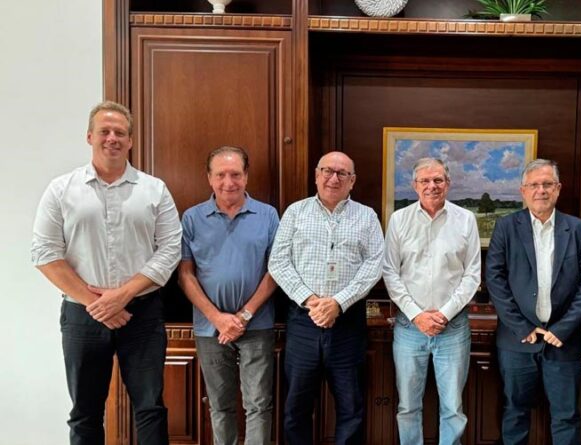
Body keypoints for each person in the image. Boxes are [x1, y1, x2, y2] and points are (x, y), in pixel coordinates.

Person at [31, 100, 181, 445]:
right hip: (82, 314)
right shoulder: (61, 189)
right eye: (105, 131)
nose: (112, 138)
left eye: (120, 132)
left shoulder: (154, 190)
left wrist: (122, 295)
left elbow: (171, 249)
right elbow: (44, 253)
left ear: (130, 141)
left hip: (142, 313)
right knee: (85, 412)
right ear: (90, 136)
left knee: (150, 408)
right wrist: (96, 303)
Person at [268, 151, 384, 445]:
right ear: (316, 175)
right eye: (328, 171)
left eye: (342, 173)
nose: (334, 178)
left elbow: (374, 265)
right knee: (296, 407)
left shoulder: (367, 216)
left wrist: (338, 303)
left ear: (352, 181)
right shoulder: (295, 212)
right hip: (303, 322)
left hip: (348, 323)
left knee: (351, 407)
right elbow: (278, 262)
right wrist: (311, 301)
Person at [485, 159, 581, 445]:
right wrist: (521, 326)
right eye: (534, 185)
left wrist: (563, 329)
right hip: (517, 340)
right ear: (523, 191)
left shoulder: (580, 231)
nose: (541, 190)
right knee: (514, 412)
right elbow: (495, 280)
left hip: (563, 341)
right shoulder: (506, 227)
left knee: (566, 416)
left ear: (558, 189)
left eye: (547, 184)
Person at [179, 146, 280, 445]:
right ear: (209, 178)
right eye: (220, 175)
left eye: (235, 174)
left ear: (246, 176)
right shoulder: (192, 218)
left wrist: (244, 315)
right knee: (220, 405)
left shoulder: (268, 215)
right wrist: (218, 318)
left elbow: (275, 271)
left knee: (258, 404)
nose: (228, 182)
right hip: (209, 328)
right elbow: (185, 275)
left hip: (257, 323)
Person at [383, 158, 481, 445]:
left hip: (453, 329)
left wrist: (444, 314)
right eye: (425, 181)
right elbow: (390, 272)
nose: (432, 186)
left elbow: (472, 275)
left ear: (448, 184)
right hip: (409, 328)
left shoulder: (466, 219)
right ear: (415, 185)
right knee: (407, 407)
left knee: (452, 408)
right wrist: (417, 315)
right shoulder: (399, 220)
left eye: (438, 180)